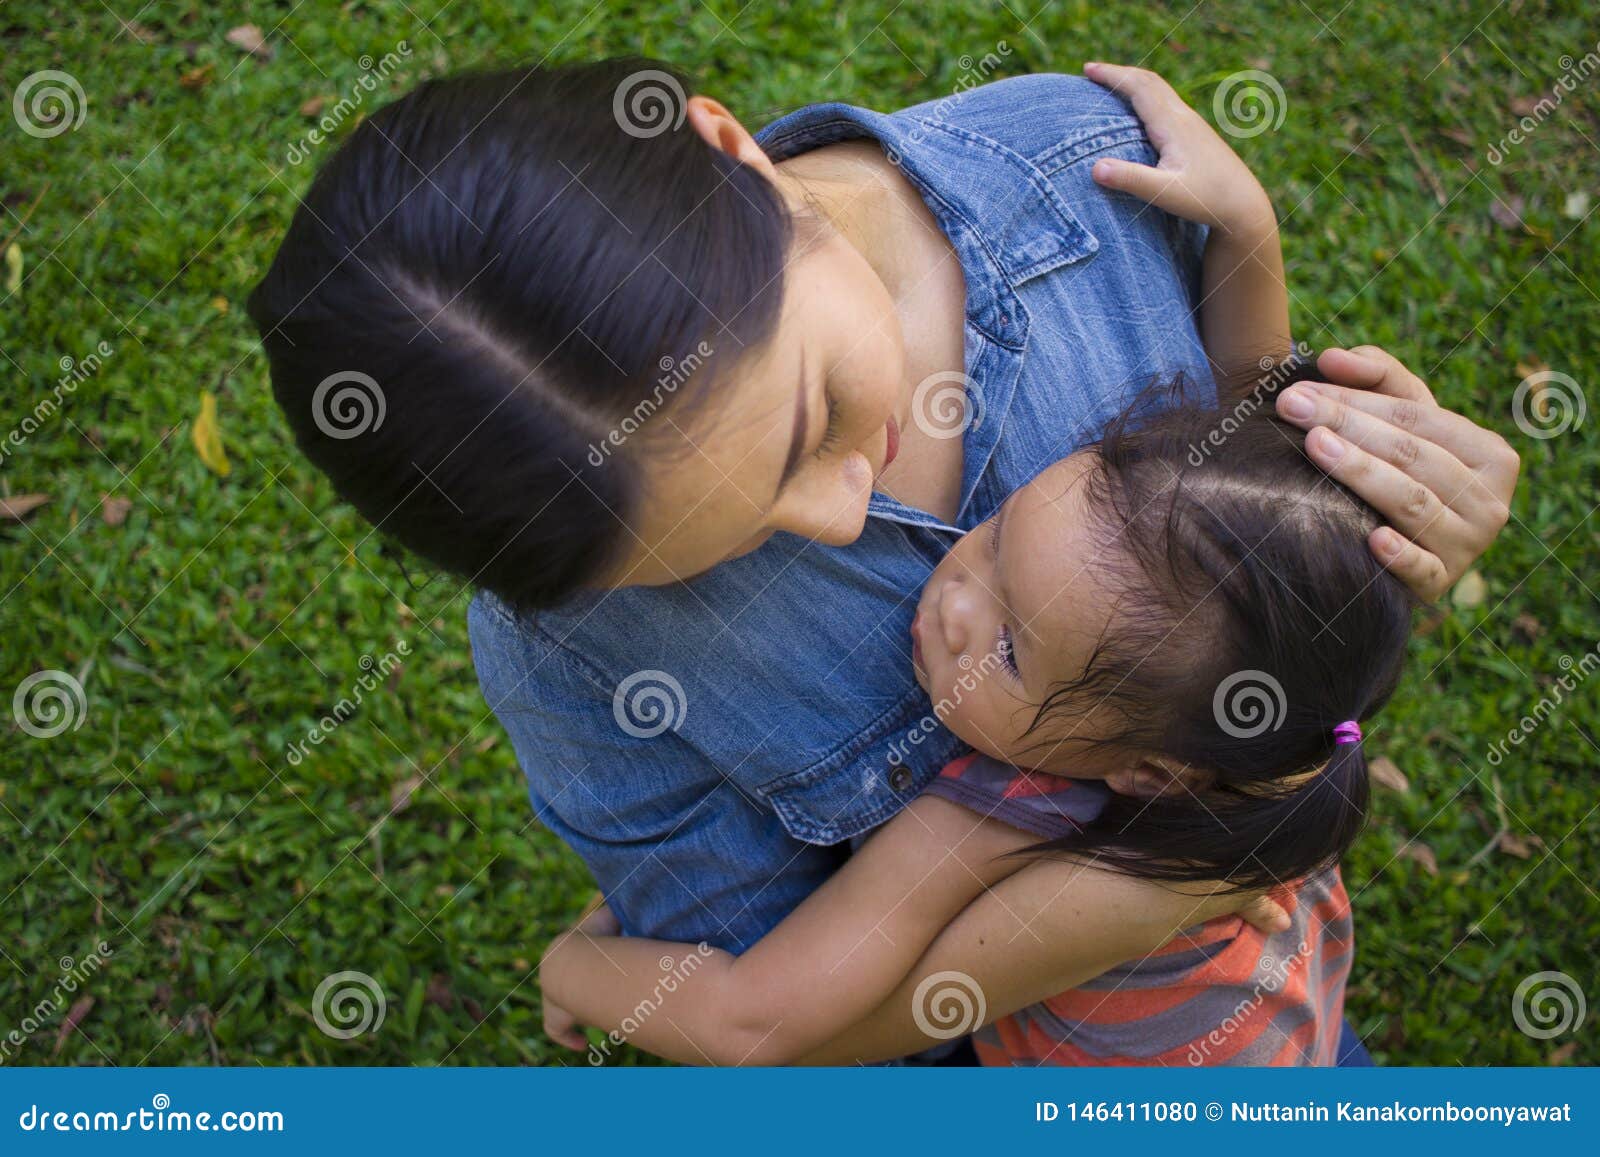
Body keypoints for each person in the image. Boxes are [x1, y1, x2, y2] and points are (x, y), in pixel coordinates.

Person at [247, 59, 1518, 970]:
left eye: (810, 419)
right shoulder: (570, 652)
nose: (845, 506)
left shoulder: (1091, 178)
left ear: (729, 150)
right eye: (731, 543)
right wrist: (1197, 867)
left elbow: (1247, 524)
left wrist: (1382, 529)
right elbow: (788, 1015)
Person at [535, 64, 1400, 1066]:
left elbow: (755, 1021)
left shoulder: (1006, 825)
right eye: (990, 542)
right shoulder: (1255, 735)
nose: (946, 601)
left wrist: (568, 968)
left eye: (1008, 645)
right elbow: (1244, 443)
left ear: (1146, 772)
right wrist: (1246, 234)